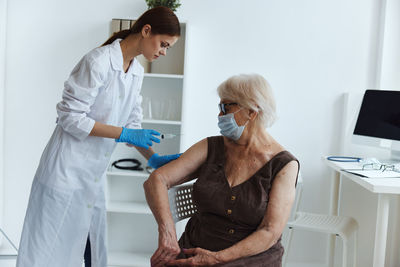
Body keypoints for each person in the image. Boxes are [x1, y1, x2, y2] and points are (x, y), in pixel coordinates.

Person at [16, 7, 181, 267]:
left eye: (168, 48)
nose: (163, 52)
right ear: (146, 30)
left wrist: (154, 157)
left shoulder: (136, 72)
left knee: (90, 253)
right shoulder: (98, 62)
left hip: (90, 178)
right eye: (163, 44)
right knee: (47, 257)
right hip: (65, 173)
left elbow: (132, 125)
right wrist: (125, 133)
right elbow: (70, 117)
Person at [144, 74, 300, 267]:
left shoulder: (284, 165)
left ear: (252, 110)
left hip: (250, 258)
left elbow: (270, 231)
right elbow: (157, 179)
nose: (220, 115)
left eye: (226, 107)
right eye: (220, 107)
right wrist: (167, 233)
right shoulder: (211, 147)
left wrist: (217, 258)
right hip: (194, 248)